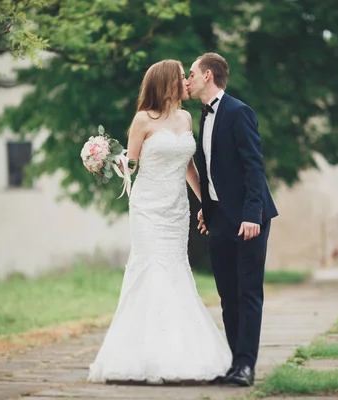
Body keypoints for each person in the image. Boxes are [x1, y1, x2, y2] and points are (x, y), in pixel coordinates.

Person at [87, 59, 232, 384]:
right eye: (182, 77)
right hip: (148, 207)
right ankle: (139, 357)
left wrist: (205, 203)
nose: (186, 81)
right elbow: (132, 164)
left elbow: (189, 165)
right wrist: (107, 158)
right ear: (166, 82)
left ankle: (181, 353)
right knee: (151, 267)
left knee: (176, 268)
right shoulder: (143, 120)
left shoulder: (185, 117)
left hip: (176, 207)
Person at [188, 53, 279, 387]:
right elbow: (214, 171)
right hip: (218, 219)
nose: (188, 79)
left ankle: (246, 366)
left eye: (192, 73)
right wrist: (206, 208)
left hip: (248, 218)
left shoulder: (239, 112)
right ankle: (233, 362)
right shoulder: (202, 116)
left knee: (248, 292)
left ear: (208, 75)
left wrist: (252, 214)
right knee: (227, 294)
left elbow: (254, 167)